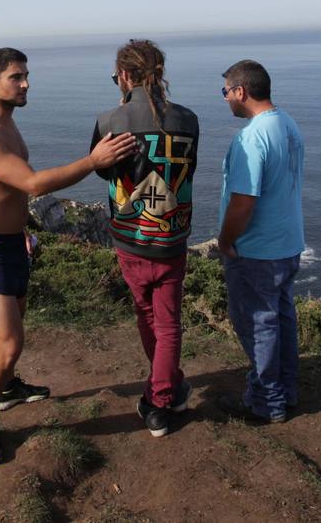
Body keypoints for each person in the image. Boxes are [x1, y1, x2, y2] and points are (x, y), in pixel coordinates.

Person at [0, 47, 137, 463]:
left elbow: (10, 191)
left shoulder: (8, 125)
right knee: (8, 343)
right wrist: (94, 161)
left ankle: (5, 389)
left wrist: (22, 228)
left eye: (26, 76)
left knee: (13, 334)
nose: (25, 84)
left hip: (11, 241)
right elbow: (34, 184)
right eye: (16, 77)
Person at [91, 39, 199, 437]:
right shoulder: (189, 120)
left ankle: (159, 401)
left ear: (123, 75)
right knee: (169, 323)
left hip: (131, 238)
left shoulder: (110, 122)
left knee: (148, 317)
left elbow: (102, 170)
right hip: (172, 237)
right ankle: (164, 391)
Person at [214, 60, 306, 425]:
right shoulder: (287, 124)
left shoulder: (251, 137)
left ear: (241, 91)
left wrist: (225, 239)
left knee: (257, 323)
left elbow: (244, 200)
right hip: (287, 243)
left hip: (257, 250)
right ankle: (286, 390)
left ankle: (266, 402)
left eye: (225, 92)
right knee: (281, 319)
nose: (225, 100)